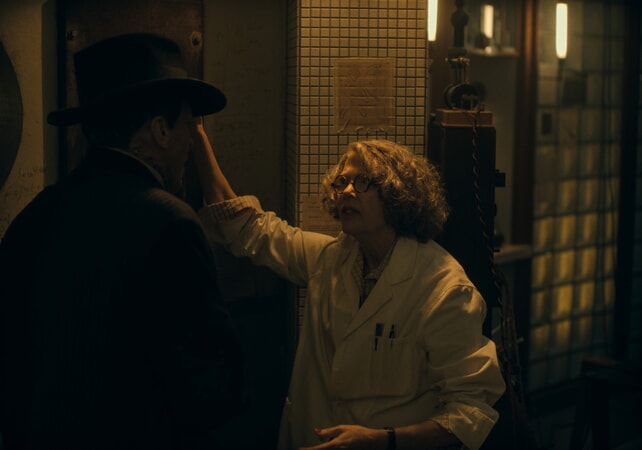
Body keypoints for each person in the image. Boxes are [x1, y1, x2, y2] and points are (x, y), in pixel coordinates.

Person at [0, 33, 245, 450]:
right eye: (188, 126)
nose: (191, 143)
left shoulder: (35, 215)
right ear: (161, 130)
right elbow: (215, 389)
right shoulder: (170, 224)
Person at [192, 130, 506, 450]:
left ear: (397, 193)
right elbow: (248, 228)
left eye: (363, 181)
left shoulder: (444, 289)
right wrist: (196, 131)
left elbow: (470, 412)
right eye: (342, 182)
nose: (347, 191)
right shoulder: (331, 260)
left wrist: (383, 440)